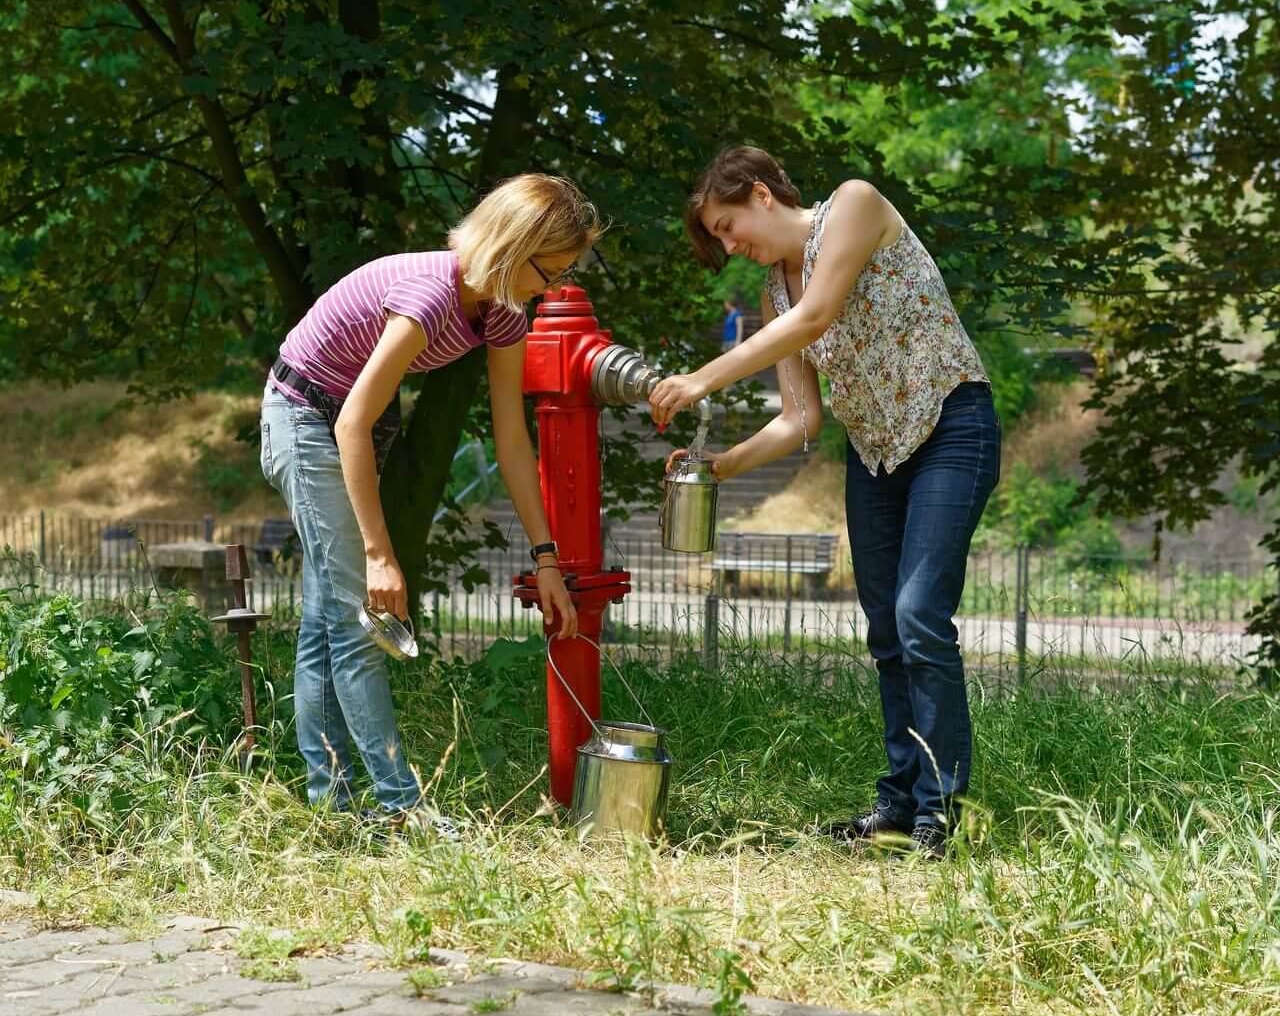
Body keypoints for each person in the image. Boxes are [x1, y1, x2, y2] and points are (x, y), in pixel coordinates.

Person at [650, 146, 1000, 858]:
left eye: (727, 224)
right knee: (884, 631)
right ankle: (899, 805)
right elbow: (801, 418)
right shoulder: (772, 296)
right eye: (719, 236)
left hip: (952, 426)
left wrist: (701, 380)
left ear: (759, 193)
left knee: (918, 617)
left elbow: (818, 317)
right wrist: (721, 466)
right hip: (875, 454)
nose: (730, 244)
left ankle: (942, 813)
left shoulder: (854, 205)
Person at [259, 173, 591, 832]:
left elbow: (511, 440)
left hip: (352, 422)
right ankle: (399, 807)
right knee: (363, 617)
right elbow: (350, 421)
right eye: (547, 271)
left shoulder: (499, 312)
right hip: (304, 417)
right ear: (510, 245)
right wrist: (383, 555)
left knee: (329, 617)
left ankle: (334, 809)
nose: (552, 288)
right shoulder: (431, 292)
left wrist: (546, 557)